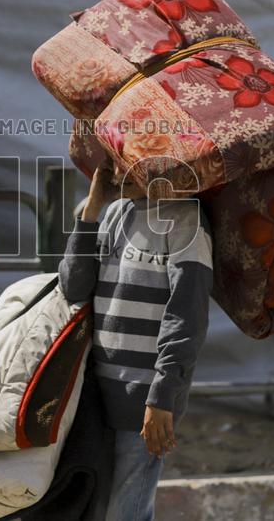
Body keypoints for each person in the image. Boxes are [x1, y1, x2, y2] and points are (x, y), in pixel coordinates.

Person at [57, 160, 213, 521]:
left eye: (128, 163)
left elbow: (187, 315)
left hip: (144, 404)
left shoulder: (185, 220)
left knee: (126, 513)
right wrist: (92, 209)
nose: (114, 171)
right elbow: (73, 286)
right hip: (94, 396)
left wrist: (163, 395)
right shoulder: (115, 213)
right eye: (112, 162)